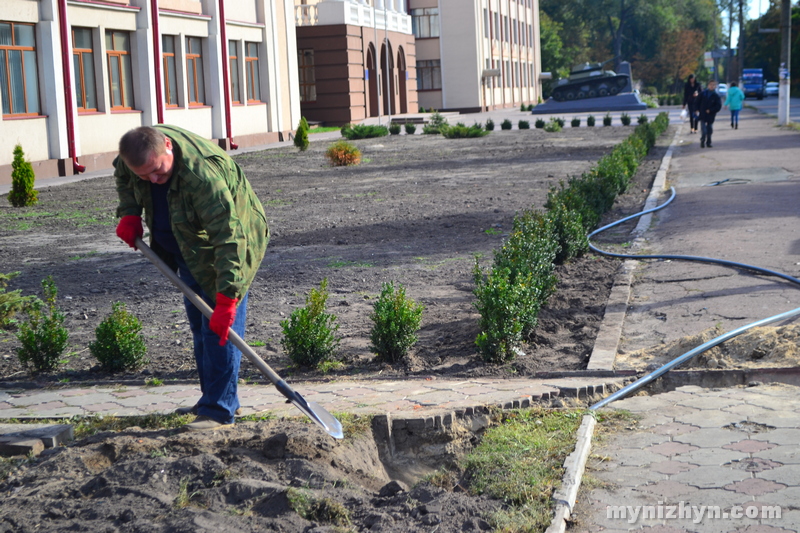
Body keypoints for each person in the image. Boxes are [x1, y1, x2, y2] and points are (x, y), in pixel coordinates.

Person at [114, 125, 269, 431]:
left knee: (218, 330)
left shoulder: (202, 178)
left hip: (227, 248)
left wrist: (228, 297)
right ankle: (210, 399)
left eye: (158, 171)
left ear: (168, 147)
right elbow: (124, 178)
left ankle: (219, 411)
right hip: (187, 246)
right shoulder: (134, 157)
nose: (153, 180)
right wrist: (130, 213)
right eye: (145, 176)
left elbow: (229, 238)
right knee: (201, 327)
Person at [696, 80, 722, 148]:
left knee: (709, 129)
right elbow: (696, 102)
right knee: (704, 130)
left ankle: (708, 142)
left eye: (713, 85)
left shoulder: (716, 96)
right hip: (703, 115)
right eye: (711, 85)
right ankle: (702, 140)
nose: (712, 86)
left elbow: (718, 106)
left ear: (715, 86)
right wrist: (696, 110)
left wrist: (711, 110)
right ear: (708, 85)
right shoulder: (703, 94)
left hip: (711, 115)